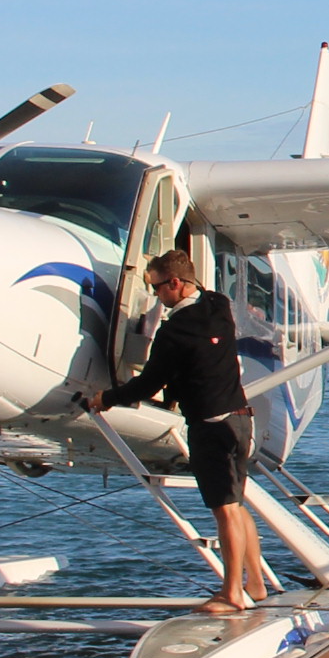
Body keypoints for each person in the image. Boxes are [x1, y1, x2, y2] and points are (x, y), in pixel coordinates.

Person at [86, 248, 266, 614]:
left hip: (211, 424)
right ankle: (256, 583)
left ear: (175, 284)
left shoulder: (174, 332)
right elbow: (207, 297)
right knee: (236, 504)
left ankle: (232, 594)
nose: (156, 297)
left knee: (225, 510)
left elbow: (147, 383)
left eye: (157, 289)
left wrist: (105, 398)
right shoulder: (219, 306)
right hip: (241, 419)